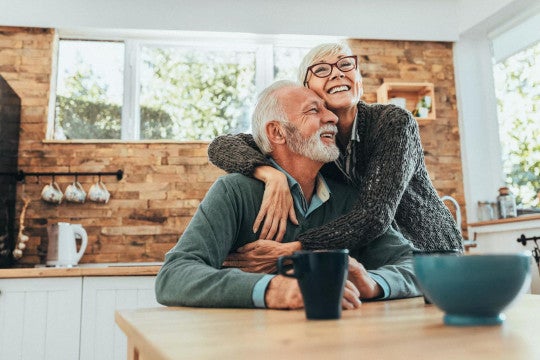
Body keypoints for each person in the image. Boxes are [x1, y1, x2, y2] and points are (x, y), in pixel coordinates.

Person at [155, 81, 421, 309]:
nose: (332, 118)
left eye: (327, 110)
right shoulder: (234, 192)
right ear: (277, 132)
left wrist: (373, 283)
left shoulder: (349, 199)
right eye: (314, 110)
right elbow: (174, 276)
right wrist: (276, 289)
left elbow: (416, 266)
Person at [208, 42, 463, 271]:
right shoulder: (312, 142)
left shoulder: (393, 123)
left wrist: (294, 249)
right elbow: (222, 146)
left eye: (345, 65)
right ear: (307, 89)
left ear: (358, 79)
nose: (337, 72)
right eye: (321, 69)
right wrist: (270, 174)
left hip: (430, 254)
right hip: (379, 263)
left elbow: (373, 215)